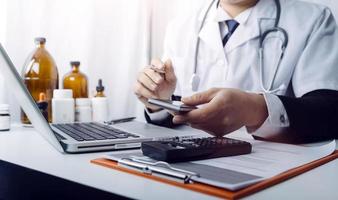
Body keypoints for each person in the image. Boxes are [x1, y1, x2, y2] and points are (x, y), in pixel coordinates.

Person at [134, 0, 338, 143]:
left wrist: (255, 109)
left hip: (269, 169)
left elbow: (330, 113)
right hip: (189, 163)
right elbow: (178, 114)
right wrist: (160, 102)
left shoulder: (313, 20)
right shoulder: (181, 26)